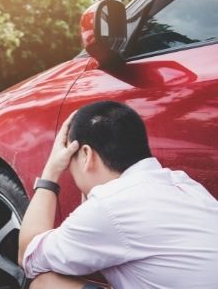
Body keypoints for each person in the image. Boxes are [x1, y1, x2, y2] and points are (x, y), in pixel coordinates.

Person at [18, 101, 218, 289]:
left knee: (46, 283)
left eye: (71, 161)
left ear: (86, 155)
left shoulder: (109, 207)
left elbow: (27, 255)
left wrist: (51, 170)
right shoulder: (184, 184)